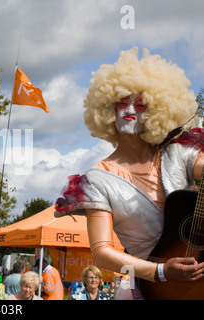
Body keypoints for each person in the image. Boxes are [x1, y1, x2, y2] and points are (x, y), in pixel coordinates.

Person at [55, 47, 204, 299]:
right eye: (121, 102)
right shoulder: (97, 179)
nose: (130, 110)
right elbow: (101, 251)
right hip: (153, 288)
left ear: (159, 109)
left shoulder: (179, 152)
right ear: (107, 110)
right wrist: (160, 271)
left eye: (141, 104)